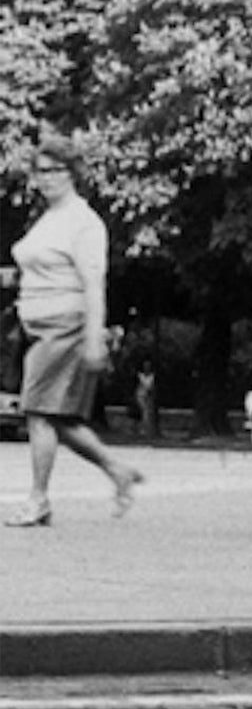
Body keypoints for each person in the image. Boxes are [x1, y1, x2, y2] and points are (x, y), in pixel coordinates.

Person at [6, 131, 143, 528]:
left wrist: (94, 338)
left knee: (38, 414)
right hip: (36, 327)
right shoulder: (48, 219)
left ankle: (39, 500)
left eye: (53, 171)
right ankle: (117, 471)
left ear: (72, 173)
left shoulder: (84, 222)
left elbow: (93, 284)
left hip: (65, 327)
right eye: (39, 171)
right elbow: (34, 268)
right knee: (59, 421)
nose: (44, 178)